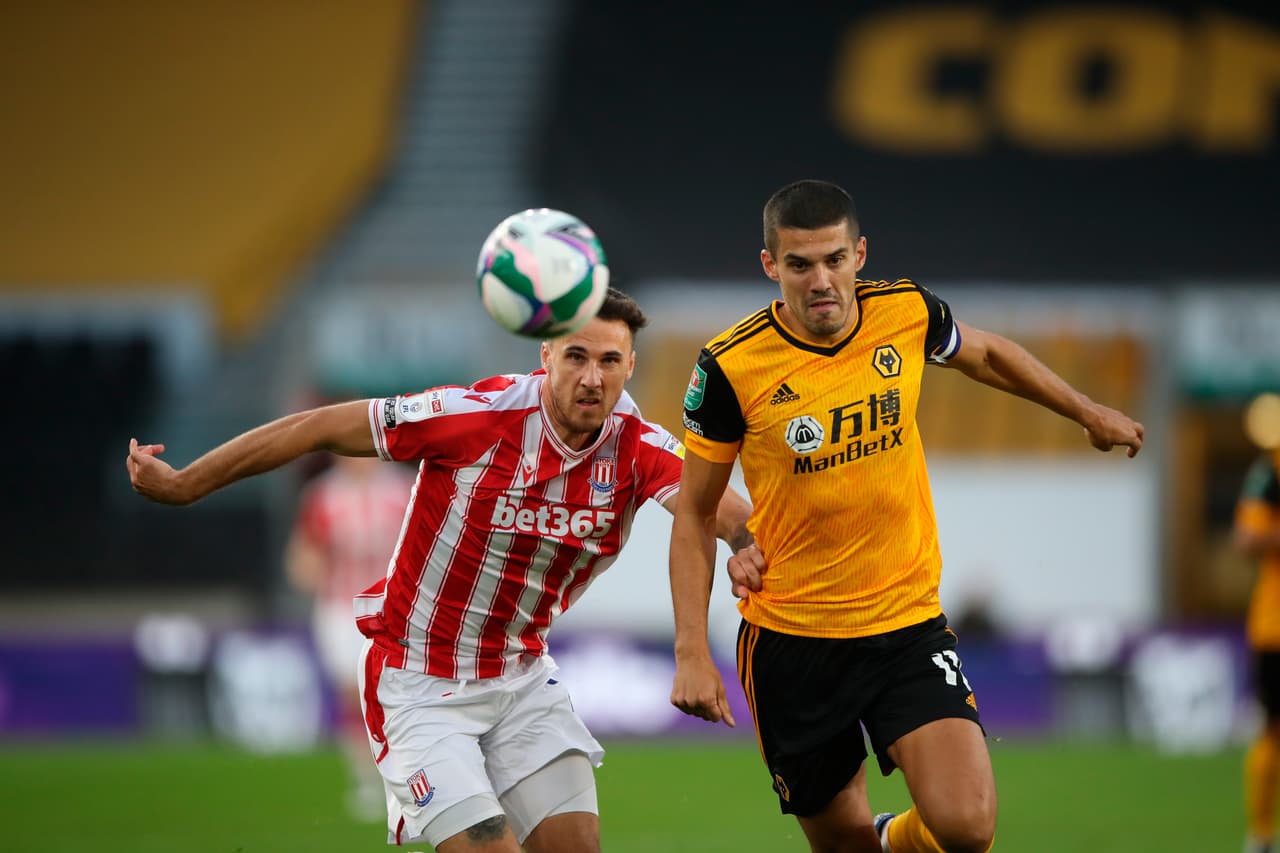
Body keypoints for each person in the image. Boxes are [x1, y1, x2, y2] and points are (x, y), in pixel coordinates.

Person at [127, 287, 754, 853]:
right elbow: (318, 427)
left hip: (521, 677)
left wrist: (749, 544)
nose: (592, 377)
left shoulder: (638, 445)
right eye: (576, 357)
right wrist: (187, 483)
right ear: (546, 357)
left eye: (609, 361)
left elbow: (716, 510)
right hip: (418, 681)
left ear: (630, 366)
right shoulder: (473, 417)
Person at [667, 180, 1144, 853]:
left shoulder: (905, 312)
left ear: (860, 253)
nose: (821, 280)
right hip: (793, 640)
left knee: (967, 825)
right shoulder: (730, 366)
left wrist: (1086, 411)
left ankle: (897, 840)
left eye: (835, 259)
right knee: (843, 844)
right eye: (800, 264)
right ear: (771, 266)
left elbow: (986, 354)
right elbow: (693, 510)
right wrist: (690, 651)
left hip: (906, 624)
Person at [285, 452, 416, 819]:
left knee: (395, 695)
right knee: (352, 696)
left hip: (391, 608)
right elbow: (305, 550)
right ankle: (365, 778)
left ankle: (405, 776)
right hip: (340, 609)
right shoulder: (323, 496)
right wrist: (306, 570)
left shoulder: (403, 490)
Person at [1235, 445, 1280, 853]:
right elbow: (1246, 537)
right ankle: (1261, 834)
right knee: (1271, 730)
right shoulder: (1271, 471)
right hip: (1275, 627)